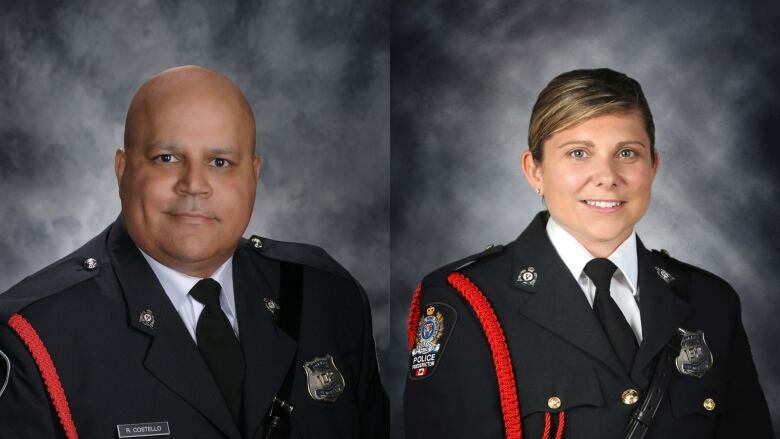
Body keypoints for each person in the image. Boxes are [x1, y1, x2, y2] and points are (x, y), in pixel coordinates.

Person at [0, 65, 388, 438]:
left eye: (220, 162)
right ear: (122, 169)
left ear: (253, 176)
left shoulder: (327, 299)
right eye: (167, 158)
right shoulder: (38, 336)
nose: (194, 185)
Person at [403, 68, 774, 438]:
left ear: (653, 167)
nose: (607, 176)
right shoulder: (465, 301)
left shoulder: (711, 302)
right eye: (578, 153)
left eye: (627, 153)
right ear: (535, 171)